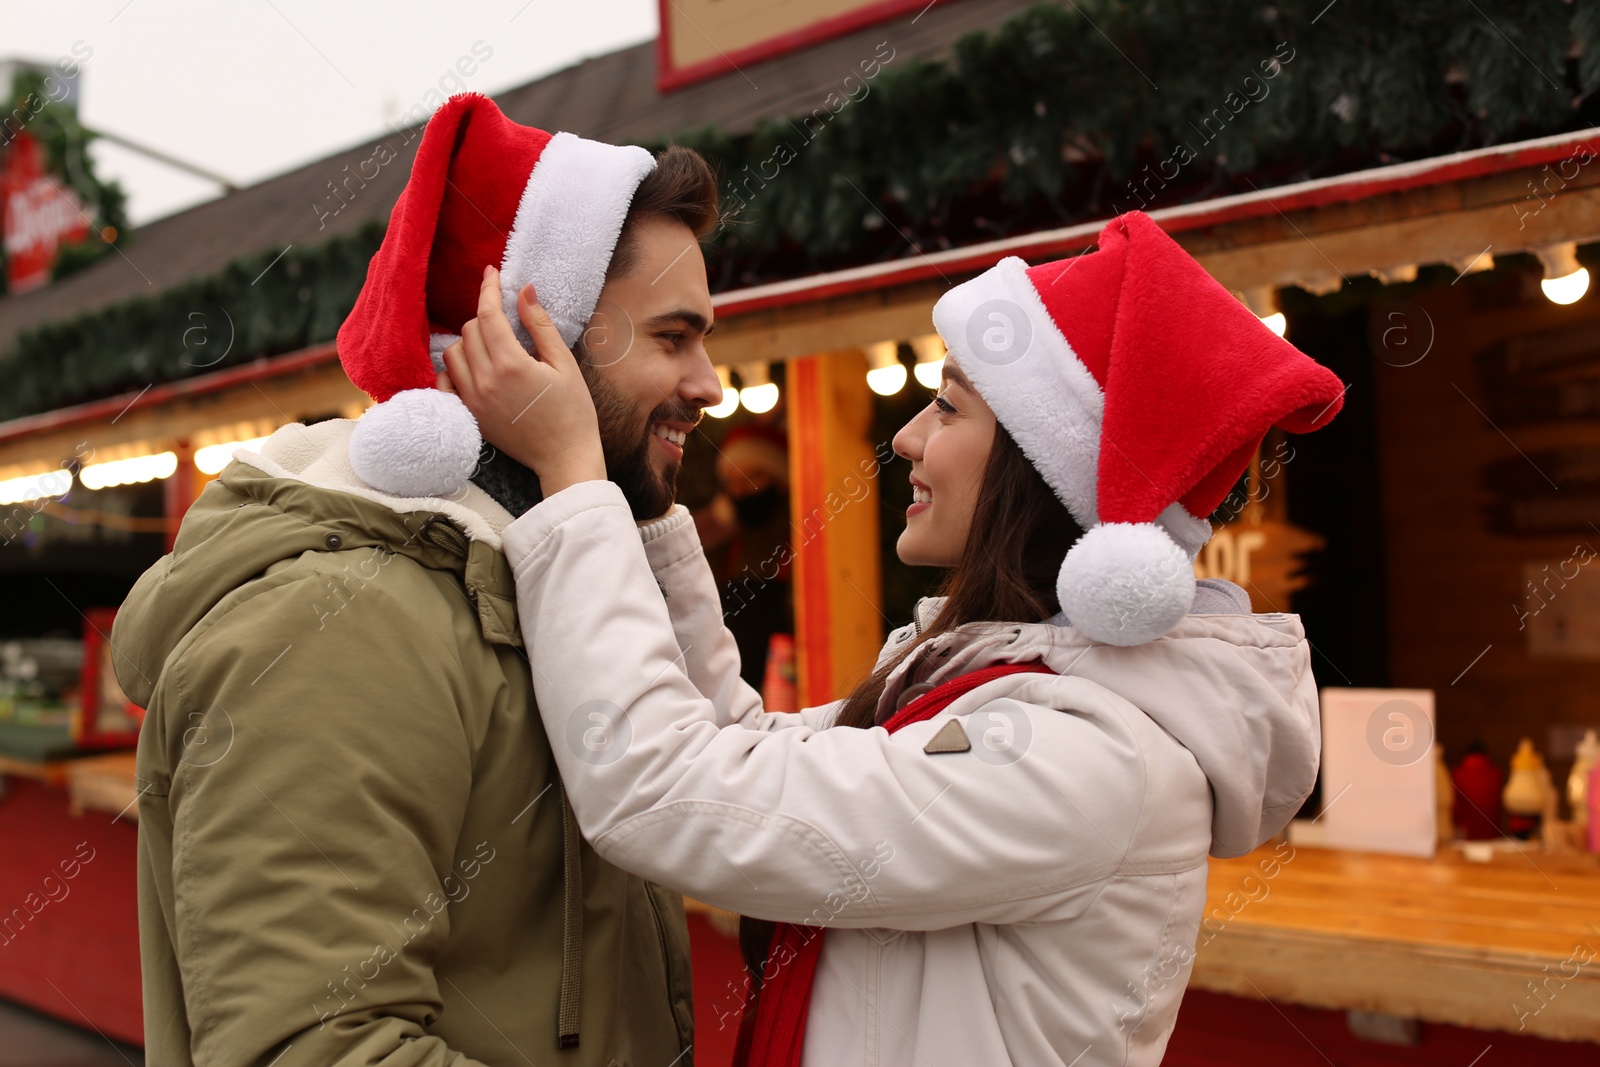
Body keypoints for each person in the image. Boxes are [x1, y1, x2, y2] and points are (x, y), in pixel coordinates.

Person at [444, 209, 1348, 1066]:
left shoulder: (1086, 757)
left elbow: (663, 788)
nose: (907, 438)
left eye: (949, 408)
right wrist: (647, 515)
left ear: (1041, 467)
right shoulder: (990, 692)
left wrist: (571, 475)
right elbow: (742, 756)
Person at [111, 94, 723, 1065]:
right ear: (532, 346)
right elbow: (313, 1046)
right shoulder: (342, 627)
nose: (711, 380)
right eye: (673, 337)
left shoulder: (526, 596)